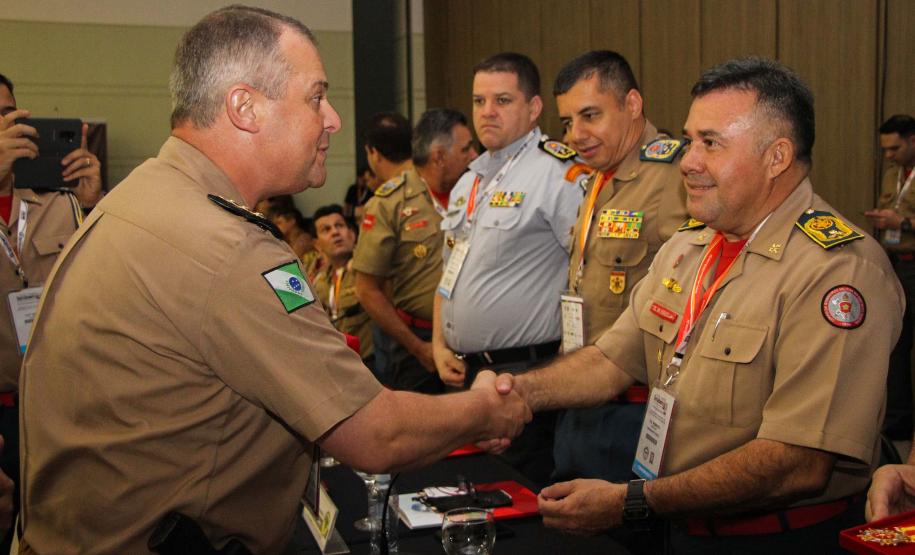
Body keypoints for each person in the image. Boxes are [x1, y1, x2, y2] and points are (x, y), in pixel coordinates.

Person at [17, 7, 530, 553]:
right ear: (245, 108)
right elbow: (377, 433)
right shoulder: (226, 246)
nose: (333, 119)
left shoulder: (141, 197)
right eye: (316, 97)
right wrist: (486, 409)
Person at [484, 57, 903, 552]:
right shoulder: (690, 245)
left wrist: (631, 502)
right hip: (681, 526)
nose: (687, 160)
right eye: (689, 140)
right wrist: (519, 392)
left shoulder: (837, 272)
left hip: (777, 539)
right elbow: (610, 360)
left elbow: (797, 463)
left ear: (777, 157)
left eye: (710, 143)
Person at [433, 52, 584, 486]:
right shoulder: (469, 180)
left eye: (502, 100)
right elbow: (449, 275)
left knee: (520, 498)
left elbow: (587, 275)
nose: (487, 112)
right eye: (479, 101)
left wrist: (572, 363)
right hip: (463, 372)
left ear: (534, 108)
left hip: (524, 374)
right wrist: (439, 343)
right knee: (471, 495)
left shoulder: (559, 173)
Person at [551, 50, 689, 485]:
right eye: (567, 122)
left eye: (590, 115)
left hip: (634, 409)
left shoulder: (675, 177)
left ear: (632, 104)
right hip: (581, 395)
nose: (576, 134)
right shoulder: (599, 176)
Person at [0, 71, 102, 547]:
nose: (6, 127)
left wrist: (93, 205)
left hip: (57, 408)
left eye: (9, 114)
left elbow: (104, 286)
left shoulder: (58, 202)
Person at [354, 108, 476, 392]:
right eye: (466, 149)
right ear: (439, 156)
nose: (474, 156)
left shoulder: (478, 192)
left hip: (473, 337)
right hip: (417, 345)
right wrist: (418, 348)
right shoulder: (389, 203)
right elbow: (366, 290)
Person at [865, 114, 915, 450]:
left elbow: (903, 219)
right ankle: (897, 423)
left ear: (913, 140)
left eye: (894, 148)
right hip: (896, 264)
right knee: (895, 345)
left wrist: (903, 223)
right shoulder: (892, 175)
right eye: (885, 149)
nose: (888, 155)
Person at [310, 203, 373, 365]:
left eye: (339, 226)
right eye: (326, 229)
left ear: (352, 234)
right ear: (317, 245)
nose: (335, 232)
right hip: (341, 363)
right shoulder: (319, 282)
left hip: (373, 361)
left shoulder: (368, 270)